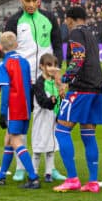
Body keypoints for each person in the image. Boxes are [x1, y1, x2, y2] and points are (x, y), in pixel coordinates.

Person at [4, 0, 63, 181]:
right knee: (21, 124)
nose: (31, 4)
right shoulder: (13, 21)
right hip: (22, 80)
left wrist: (56, 73)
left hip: (45, 80)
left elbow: (57, 46)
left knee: (48, 122)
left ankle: (51, 167)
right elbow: (9, 52)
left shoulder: (50, 18)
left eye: (34, 0)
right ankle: (21, 167)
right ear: (20, 0)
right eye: (27, 1)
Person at [53, 6, 102, 193]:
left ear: (70, 19)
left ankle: (72, 179)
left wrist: (65, 79)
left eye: (66, 20)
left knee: (61, 130)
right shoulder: (91, 34)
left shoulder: (75, 33)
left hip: (81, 89)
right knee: (88, 135)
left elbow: (78, 57)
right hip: (96, 89)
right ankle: (93, 182)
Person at [0, 31, 40, 188]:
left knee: (15, 141)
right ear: (16, 45)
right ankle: (1, 176)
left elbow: (6, 91)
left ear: (0, 48)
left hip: (13, 108)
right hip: (25, 106)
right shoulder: (24, 62)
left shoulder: (3, 65)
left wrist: (3, 113)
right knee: (8, 140)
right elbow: (29, 86)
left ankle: (33, 176)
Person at [32, 53, 66, 182]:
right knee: (38, 147)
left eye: (54, 65)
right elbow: (42, 102)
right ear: (41, 66)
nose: (52, 68)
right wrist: (51, 101)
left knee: (51, 147)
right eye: (49, 65)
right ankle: (33, 173)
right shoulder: (39, 83)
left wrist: (61, 96)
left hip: (52, 120)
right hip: (41, 120)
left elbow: (58, 101)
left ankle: (48, 173)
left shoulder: (54, 83)